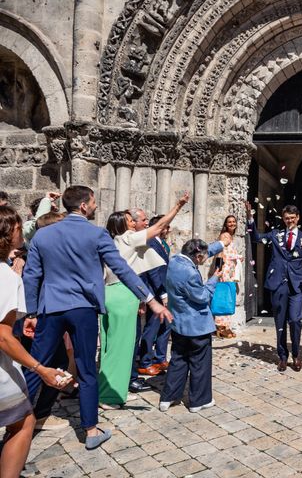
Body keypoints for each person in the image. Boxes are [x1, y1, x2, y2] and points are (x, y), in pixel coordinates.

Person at [22, 185, 172, 449]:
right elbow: (122, 269)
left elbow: (32, 276)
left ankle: (16, 420)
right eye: (92, 202)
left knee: (36, 365)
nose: (94, 206)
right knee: (87, 367)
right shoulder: (96, 234)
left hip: (51, 307)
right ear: (83, 206)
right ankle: (91, 431)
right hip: (83, 309)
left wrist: (31, 312)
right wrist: (150, 300)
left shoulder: (43, 236)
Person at [99, 193, 189, 408]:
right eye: (131, 220)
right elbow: (158, 228)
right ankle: (108, 397)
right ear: (123, 224)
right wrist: (178, 205)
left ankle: (115, 389)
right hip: (122, 293)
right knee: (120, 347)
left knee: (113, 347)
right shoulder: (127, 237)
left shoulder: (115, 240)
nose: (135, 223)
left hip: (112, 293)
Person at [0, 206, 68, 477]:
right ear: (9, 234)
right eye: (18, 228)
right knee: (23, 422)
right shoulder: (6, 276)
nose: (22, 232)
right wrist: (40, 369)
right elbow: (3, 336)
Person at [245, 202, 302, 372]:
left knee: (295, 320)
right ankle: (282, 356)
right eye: (287, 218)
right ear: (283, 219)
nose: (290, 221)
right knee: (280, 321)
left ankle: (297, 355)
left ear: (297, 218)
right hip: (277, 283)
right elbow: (256, 237)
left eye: (292, 218)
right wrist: (250, 218)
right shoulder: (276, 234)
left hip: (296, 285)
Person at [159, 239, 221, 413]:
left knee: (178, 360)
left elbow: (203, 253)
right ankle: (198, 401)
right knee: (199, 363)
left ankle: (168, 397)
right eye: (202, 257)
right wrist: (214, 279)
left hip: (179, 323)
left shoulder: (174, 262)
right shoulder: (190, 273)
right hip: (197, 325)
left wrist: (220, 245)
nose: (203, 260)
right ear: (197, 255)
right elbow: (202, 296)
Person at [137, 214, 171, 377]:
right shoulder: (150, 243)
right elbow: (153, 271)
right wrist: (162, 293)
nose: (168, 229)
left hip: (164, 289)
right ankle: (145, 361)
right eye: (166, 226)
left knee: (166, 325)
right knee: (152, 327)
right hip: (155, 291)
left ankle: (160, 358)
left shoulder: (162, 244)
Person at [210, 215, 245, 338]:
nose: (232, 224)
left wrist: (238, 258)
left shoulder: (231, 236)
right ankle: (220, 326)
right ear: (225, 224)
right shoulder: (224, 236)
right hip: (224, 269)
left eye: (233, 222)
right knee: (223, 296)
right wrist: (218, 269)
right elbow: (221, 252)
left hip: (230, 271)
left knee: (228, 296)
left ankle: (226, 326)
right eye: (229, 222)